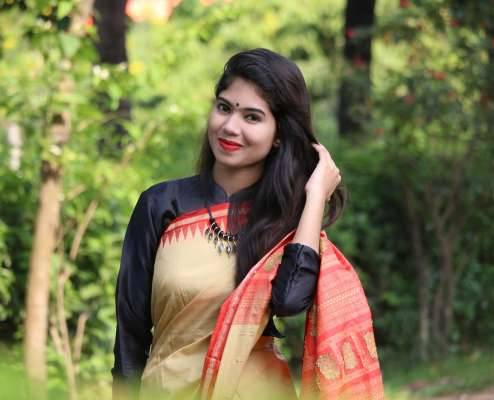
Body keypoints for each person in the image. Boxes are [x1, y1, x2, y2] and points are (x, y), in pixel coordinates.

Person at [112, 48, 383, 400]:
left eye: (252, 117)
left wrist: (316, 196)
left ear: (279, 134)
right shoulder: (161, 205)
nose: (230, 127)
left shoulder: (287, 219)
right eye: (224, 108)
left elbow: (290, 300)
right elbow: (130, 332)